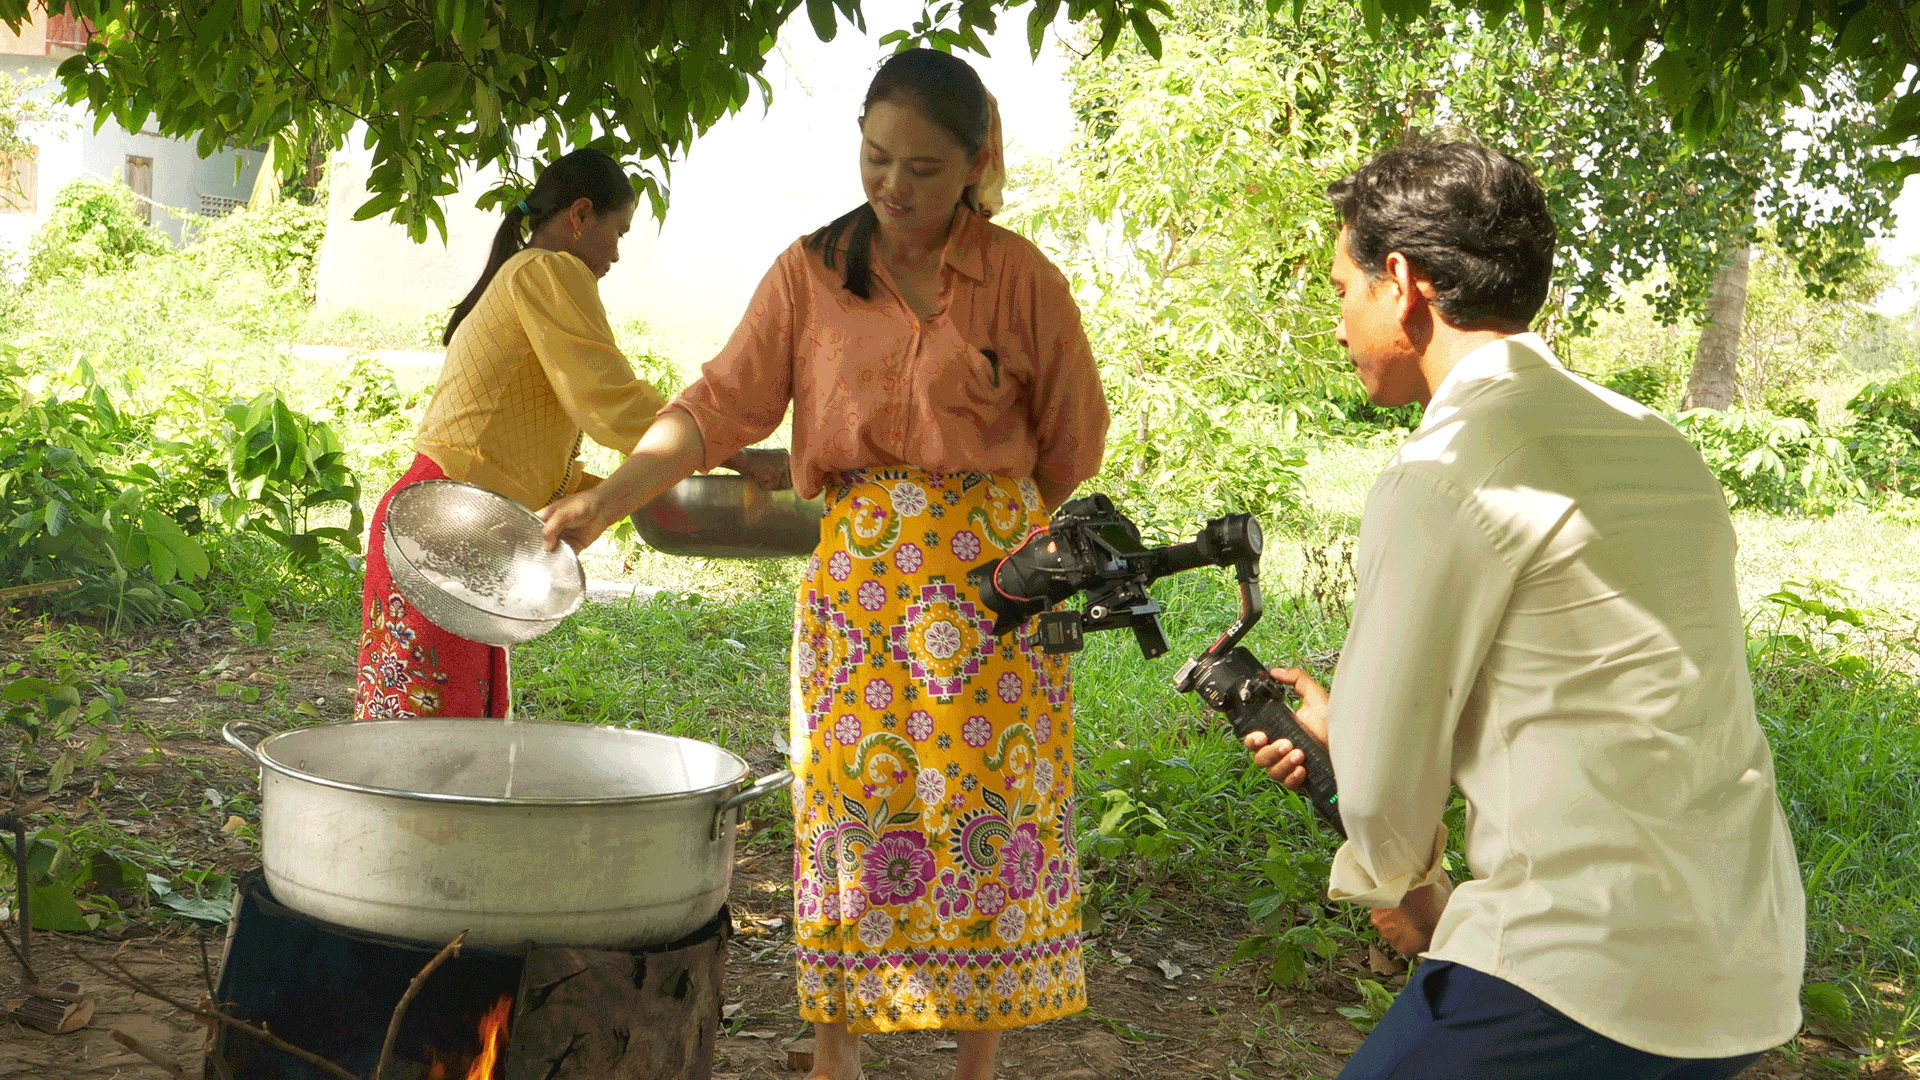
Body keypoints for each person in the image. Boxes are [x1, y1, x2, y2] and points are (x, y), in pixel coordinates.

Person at [539, 49, 1109, 1080]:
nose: (893, 186)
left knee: (986, 804)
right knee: (853, 803)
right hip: (857, 593)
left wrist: (985, 542)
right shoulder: (810, 272)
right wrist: (603, 502)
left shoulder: (1022, 280)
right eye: (876, 157)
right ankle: (835, 1052)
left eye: (924, 169)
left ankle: (973, 1063)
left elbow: (1073, 444)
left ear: (977, 162)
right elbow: (715, 406)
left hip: (995, 601)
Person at [1245, 138, 1805, 1079]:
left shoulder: (1443, 469)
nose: (1339, 325)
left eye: (1342, 292)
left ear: (1401, 282)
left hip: (1584, 969)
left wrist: (1412, 896)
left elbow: (1381, 793)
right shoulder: (1657, 443)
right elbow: (1596, 686)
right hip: (1747, 959)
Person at [355, 148, 764, 720]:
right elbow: (610, 401)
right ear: (579, 215)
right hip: (442, 529)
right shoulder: (550, 270)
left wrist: (636, 488)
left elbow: (534, 458)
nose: (617, 255)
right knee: (430, 750)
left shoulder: (525, 273)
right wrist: (730, 452)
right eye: (617, 232)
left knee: (443, 740)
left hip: (442, 525)